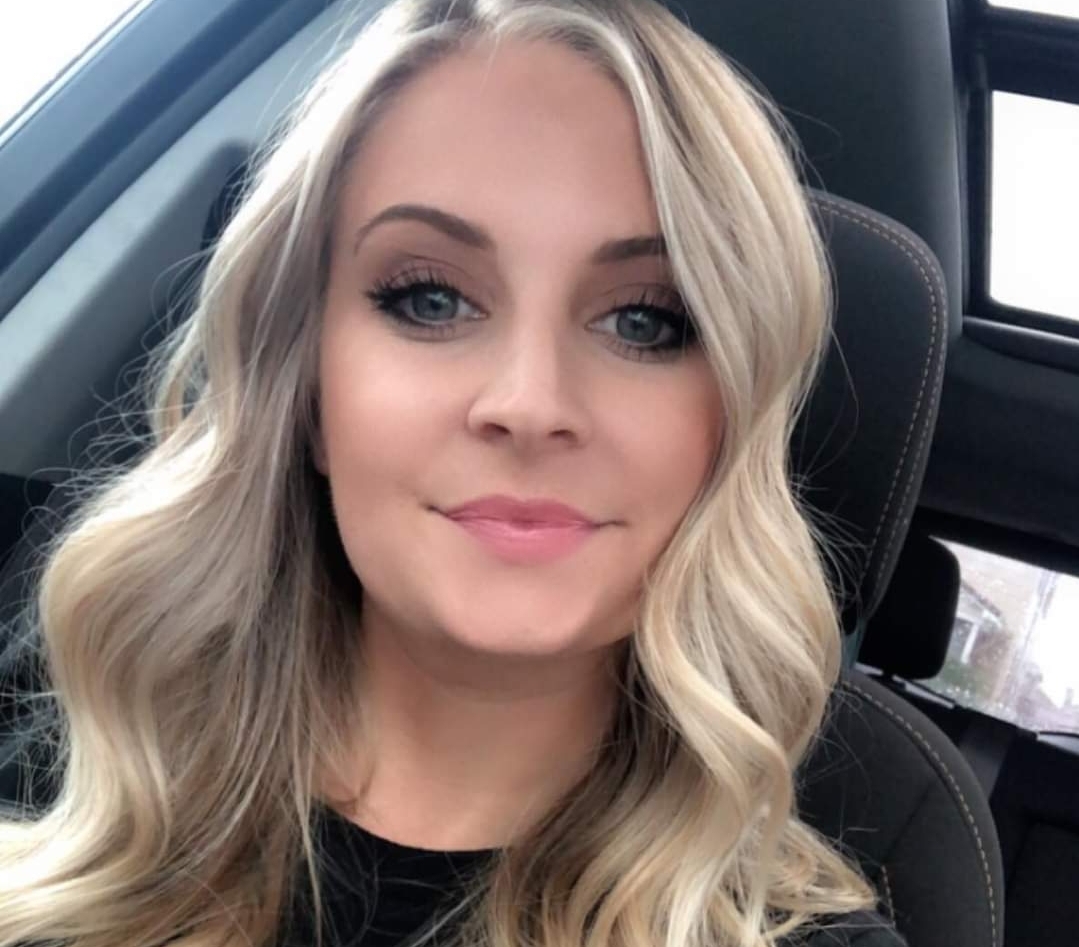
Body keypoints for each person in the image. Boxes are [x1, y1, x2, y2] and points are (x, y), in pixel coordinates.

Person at [0, 0, 909, 945]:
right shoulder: (77, 796)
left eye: (644, 321)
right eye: (429, 299)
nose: (529, 402)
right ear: (307, 392)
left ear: (729, 427)